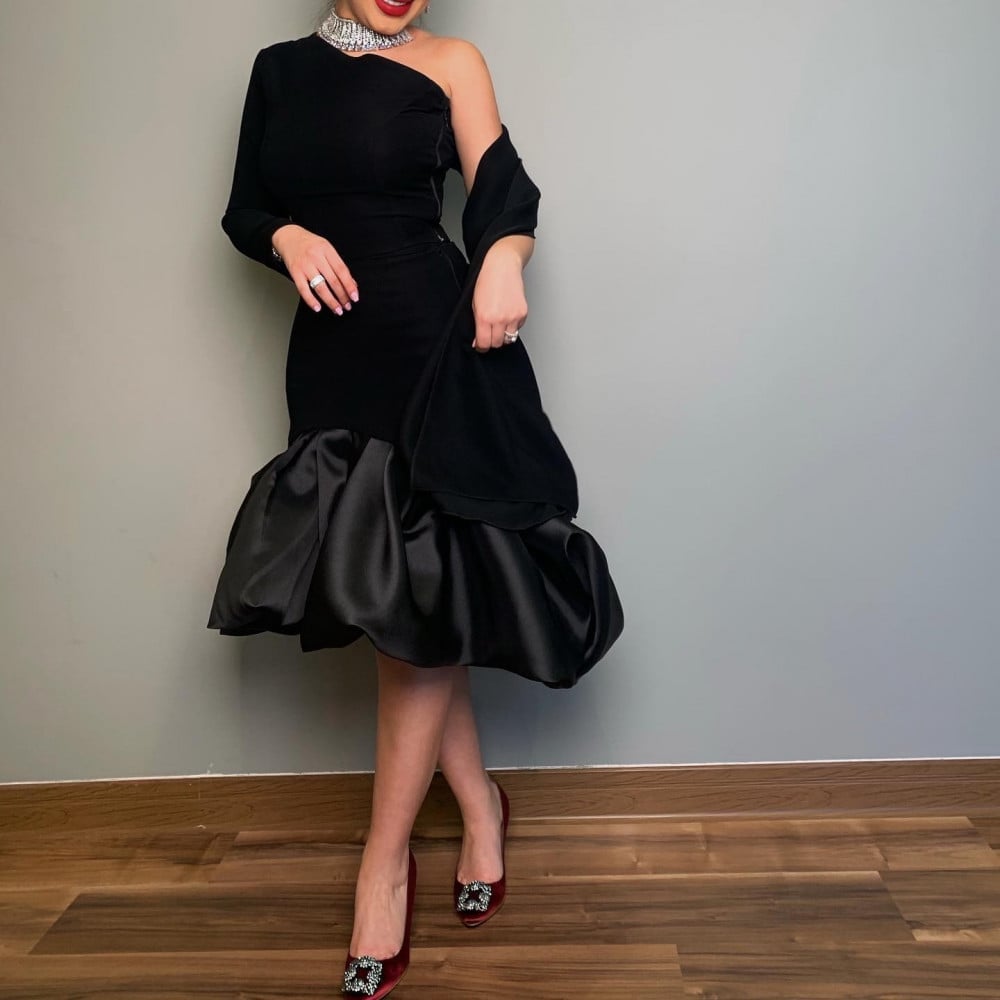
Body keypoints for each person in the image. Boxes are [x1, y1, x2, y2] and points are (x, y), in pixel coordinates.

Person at [206, 2, 625, 995]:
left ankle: (382, 867)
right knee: (410, 606)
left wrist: (503, 259)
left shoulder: (451, 62)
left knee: (413, 608)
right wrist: (286, 235)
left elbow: (501, 191)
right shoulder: (277, 70)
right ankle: (480, 807)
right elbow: (243, 207)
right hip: (332, 357)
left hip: (438, 347)